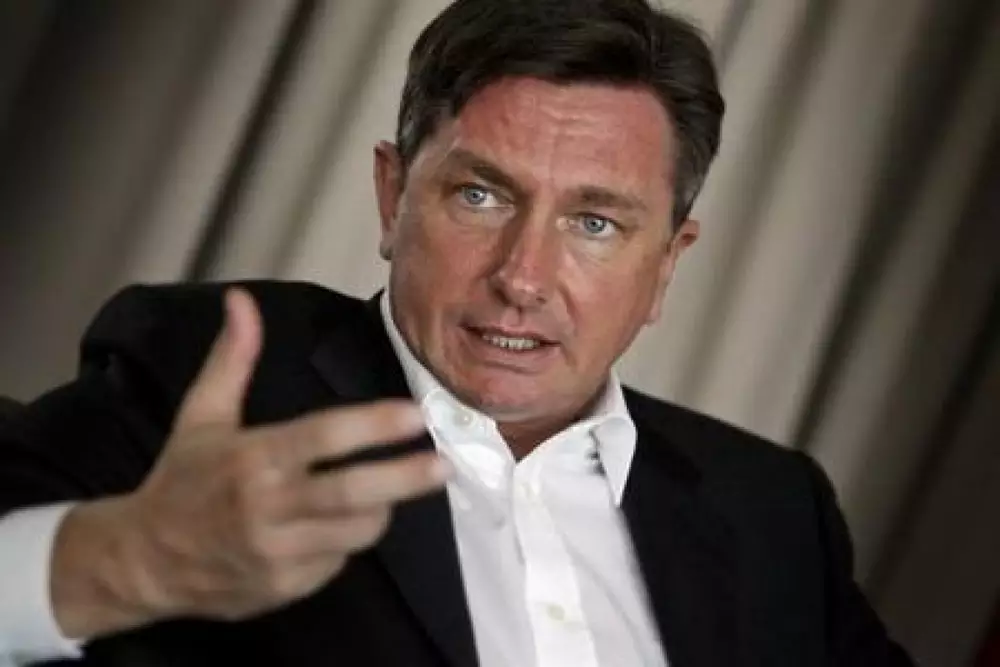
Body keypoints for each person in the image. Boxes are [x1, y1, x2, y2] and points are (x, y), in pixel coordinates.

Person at [0, 1, 914, 665]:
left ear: (668, 262)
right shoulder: (209, 372)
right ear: (393, 195)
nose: (523, 276)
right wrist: (125, 559)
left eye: (595, 222)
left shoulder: (772, 510)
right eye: (480, 195)